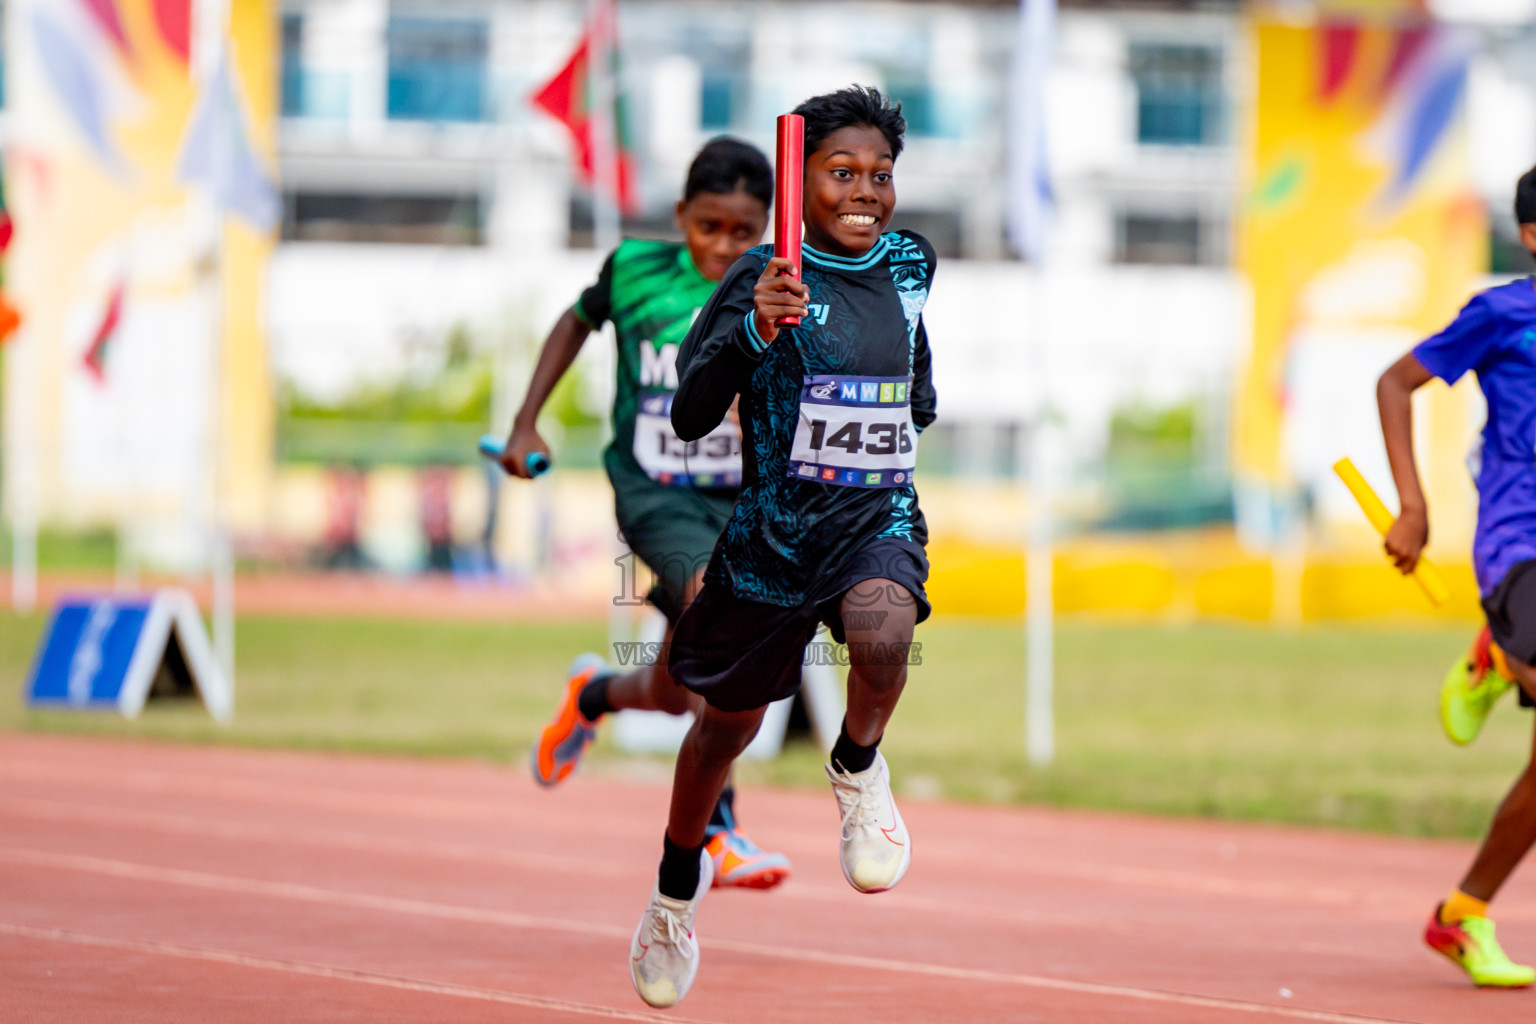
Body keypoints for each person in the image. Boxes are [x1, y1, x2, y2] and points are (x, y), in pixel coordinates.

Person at [628, 86, 936, 1008]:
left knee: (884, 635)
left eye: (881, 175)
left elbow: (915, 372)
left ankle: (855, 765)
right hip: (770, 542)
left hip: (873, 520)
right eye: (842, 173)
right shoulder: (761, 275)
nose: (866, 191)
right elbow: (687, 412)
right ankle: (674, 893)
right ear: (800, 184)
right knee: (723, 729)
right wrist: (758, 328)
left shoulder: (914, 263)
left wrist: (908, 412)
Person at [501, 137, 791, 891]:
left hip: (739, 502)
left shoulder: (773, 289)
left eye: (741, 232)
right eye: (707, 227)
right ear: (680, 216)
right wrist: (526, 421)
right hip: (654, 493)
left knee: (671, 691)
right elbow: (574, 322)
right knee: (714, 611)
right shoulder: (634, 270)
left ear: (764, 226)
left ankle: (592, 695)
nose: (722, 247)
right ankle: (718, 830)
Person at [1378, 162, 1536, 989]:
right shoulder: (1504, 314)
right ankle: (1494, 652)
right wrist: (1412, 505)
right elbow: (1396, 381)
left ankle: (1462, 914)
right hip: (1521, 545)